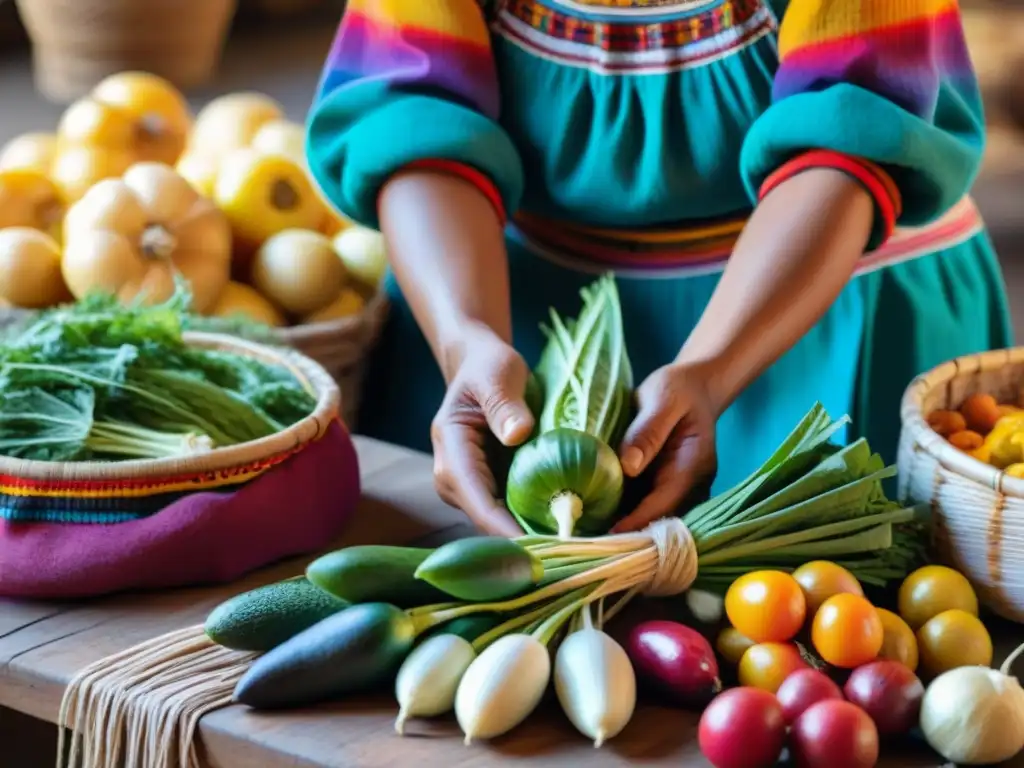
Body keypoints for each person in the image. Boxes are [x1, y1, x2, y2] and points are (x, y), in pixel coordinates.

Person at [306, 0, 1011, 537]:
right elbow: (409, 115)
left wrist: (710, 369)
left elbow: (853, 129)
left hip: (815, 308)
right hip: (500, 308)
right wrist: (466, 341)